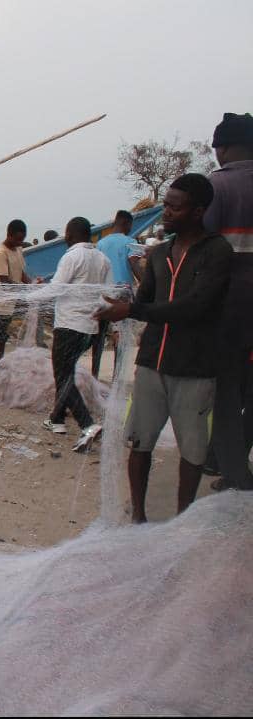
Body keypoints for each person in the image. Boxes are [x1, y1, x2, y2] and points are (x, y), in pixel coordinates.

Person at [96, 174, 233, 521]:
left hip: (194, 368)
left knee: (192, 449)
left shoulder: (217, 251)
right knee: (140, 441)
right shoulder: (158, 255)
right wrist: (118, 309)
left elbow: (197, 306)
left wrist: (132, 310)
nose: (166, 213)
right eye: (166, 205)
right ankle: (138, 515)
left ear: (198, 211)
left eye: (175, 207)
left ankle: (182, 517)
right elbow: (144, 301)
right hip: (151, 365)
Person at [203, 112, 253, 491]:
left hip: (228, 310)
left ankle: (232, 472)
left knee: (226, 391)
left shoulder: (216, 188)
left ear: (221, 148)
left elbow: (201, 254)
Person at [42, 216, 111, 451]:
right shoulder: (102, 259)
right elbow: (106, 294)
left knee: (62, 376)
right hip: (89, 329)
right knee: (66, 371)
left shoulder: (72, 256)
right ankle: (57, 419)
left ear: (70, 234)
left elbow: (57, 287)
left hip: (69, 325)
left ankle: (87, 425)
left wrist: (27, 294)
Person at [92, 210, 136, 378]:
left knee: (100, 335)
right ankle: (117, 377)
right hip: (122, 295)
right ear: (127, 224)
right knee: (121, 336)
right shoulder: (130, 242)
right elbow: (133, 264)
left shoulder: (101, 243)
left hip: (104, 293)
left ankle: (94, 373)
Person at [0, 219, 31, 367]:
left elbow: (22, 273)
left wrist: (32, 284)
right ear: (9, 235)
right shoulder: (1, 253)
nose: (20, 243)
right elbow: (5, 282)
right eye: (18, 239)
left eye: (22, 240)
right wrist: (22, 289)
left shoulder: (18, 249)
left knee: (5, 337)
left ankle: (2, 368)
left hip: (12, 301)